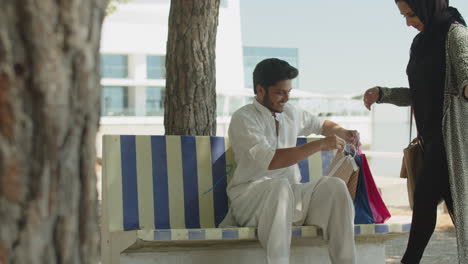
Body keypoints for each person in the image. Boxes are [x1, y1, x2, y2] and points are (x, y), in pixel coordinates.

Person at [220, 58, 359, 264]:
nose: (286, 98)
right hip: (250, 200)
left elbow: (321, 125)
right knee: (279, 187)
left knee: (335, 187)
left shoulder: (290, 113)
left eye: (288, 92)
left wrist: (343, 131)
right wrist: (319, 145)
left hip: (291, 197)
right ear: (260, 90)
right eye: (279, 92)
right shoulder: (244, 118)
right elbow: (272, 160)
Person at [362, 0, 467, 263]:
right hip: (432, 142)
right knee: (437, 208)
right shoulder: (420, 44)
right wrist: (384, 94)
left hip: (454, 142)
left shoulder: (455, 34)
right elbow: (421, 94)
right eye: (404, 15)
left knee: (425, 203)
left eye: (411, 13)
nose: (408, 21)